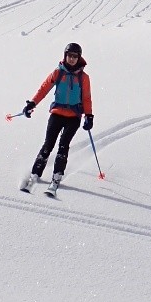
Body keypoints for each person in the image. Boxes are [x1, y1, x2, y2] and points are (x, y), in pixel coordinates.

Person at [20, 42, 94, 193]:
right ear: (65, 55)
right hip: (57, 113)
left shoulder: (83, 77)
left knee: (63, 147)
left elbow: (86, 98)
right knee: (48, 145)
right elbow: (44, 88)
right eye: (70, 55)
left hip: (74, 116)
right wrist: (32, 103)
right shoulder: (57, 73)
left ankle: (56, 178)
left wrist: (89, 116)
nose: (72, 59)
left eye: (75, 56)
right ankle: (35, 175)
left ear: (79, 58)